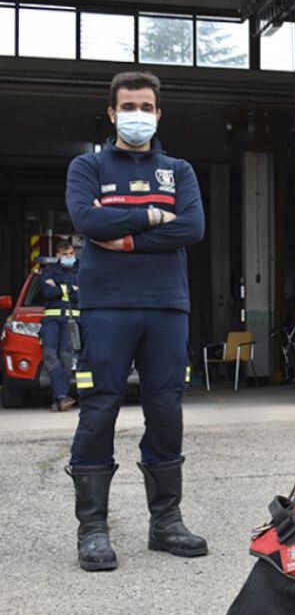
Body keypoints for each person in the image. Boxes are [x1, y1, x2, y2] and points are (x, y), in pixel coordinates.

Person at [64, 70, 207, 572]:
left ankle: (165, 522)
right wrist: (152, 217)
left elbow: (192, 226)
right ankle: (93, 530)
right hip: (106, 306)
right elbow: (86, 220)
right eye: (129, 107)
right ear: (112, 112)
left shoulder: (180, 170)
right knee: (99, 409)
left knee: (165, 410)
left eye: (147, 107)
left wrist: (122, 234)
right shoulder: (88, 166)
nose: (138, 116)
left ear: (159, 113)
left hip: (167, 306)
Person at [39, 240, 79, 412]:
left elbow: (83, 295)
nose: (68, 257)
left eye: (70, 254)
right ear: (58, 256)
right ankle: (61, 397)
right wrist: (70, 289)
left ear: (74, 254)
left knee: (66, 358)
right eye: (64, 255)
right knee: (49, 356)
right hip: (51, 321)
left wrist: (59, 288)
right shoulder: (48, 271)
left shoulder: (83, 271)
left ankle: (60, 398)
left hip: (72, 320)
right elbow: (47, 293)